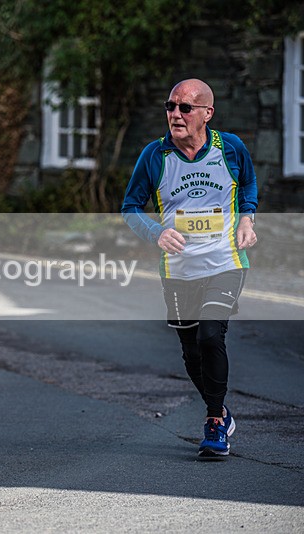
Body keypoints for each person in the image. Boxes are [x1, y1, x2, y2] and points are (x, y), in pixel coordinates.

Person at [121, 78, 258, 458]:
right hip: (178, 270)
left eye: (185, 108)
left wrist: (247, 219)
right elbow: (130, 208)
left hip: (225, 261)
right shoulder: (155, 155)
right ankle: (222, 411)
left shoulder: (230, 148)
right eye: (170, 106)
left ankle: (214, 421)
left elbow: (247, 184)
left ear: (207, 113)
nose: (175, 114)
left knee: (211, 336)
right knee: (192, 352)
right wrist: (156, 233)